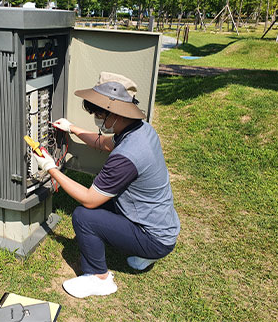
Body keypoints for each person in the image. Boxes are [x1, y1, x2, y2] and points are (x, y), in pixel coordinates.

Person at [33, 72, 180, 299]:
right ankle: (145, 255)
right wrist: (72, 128)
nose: (97, 118)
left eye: (100, 114)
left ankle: (99, 278)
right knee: (101, 206)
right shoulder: (140, 131)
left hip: (154, 238)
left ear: (116, 113)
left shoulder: (127, 156)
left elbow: (90, 199)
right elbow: (104, 143)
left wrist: (50, 167)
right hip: (164, 227)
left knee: (84, 216)